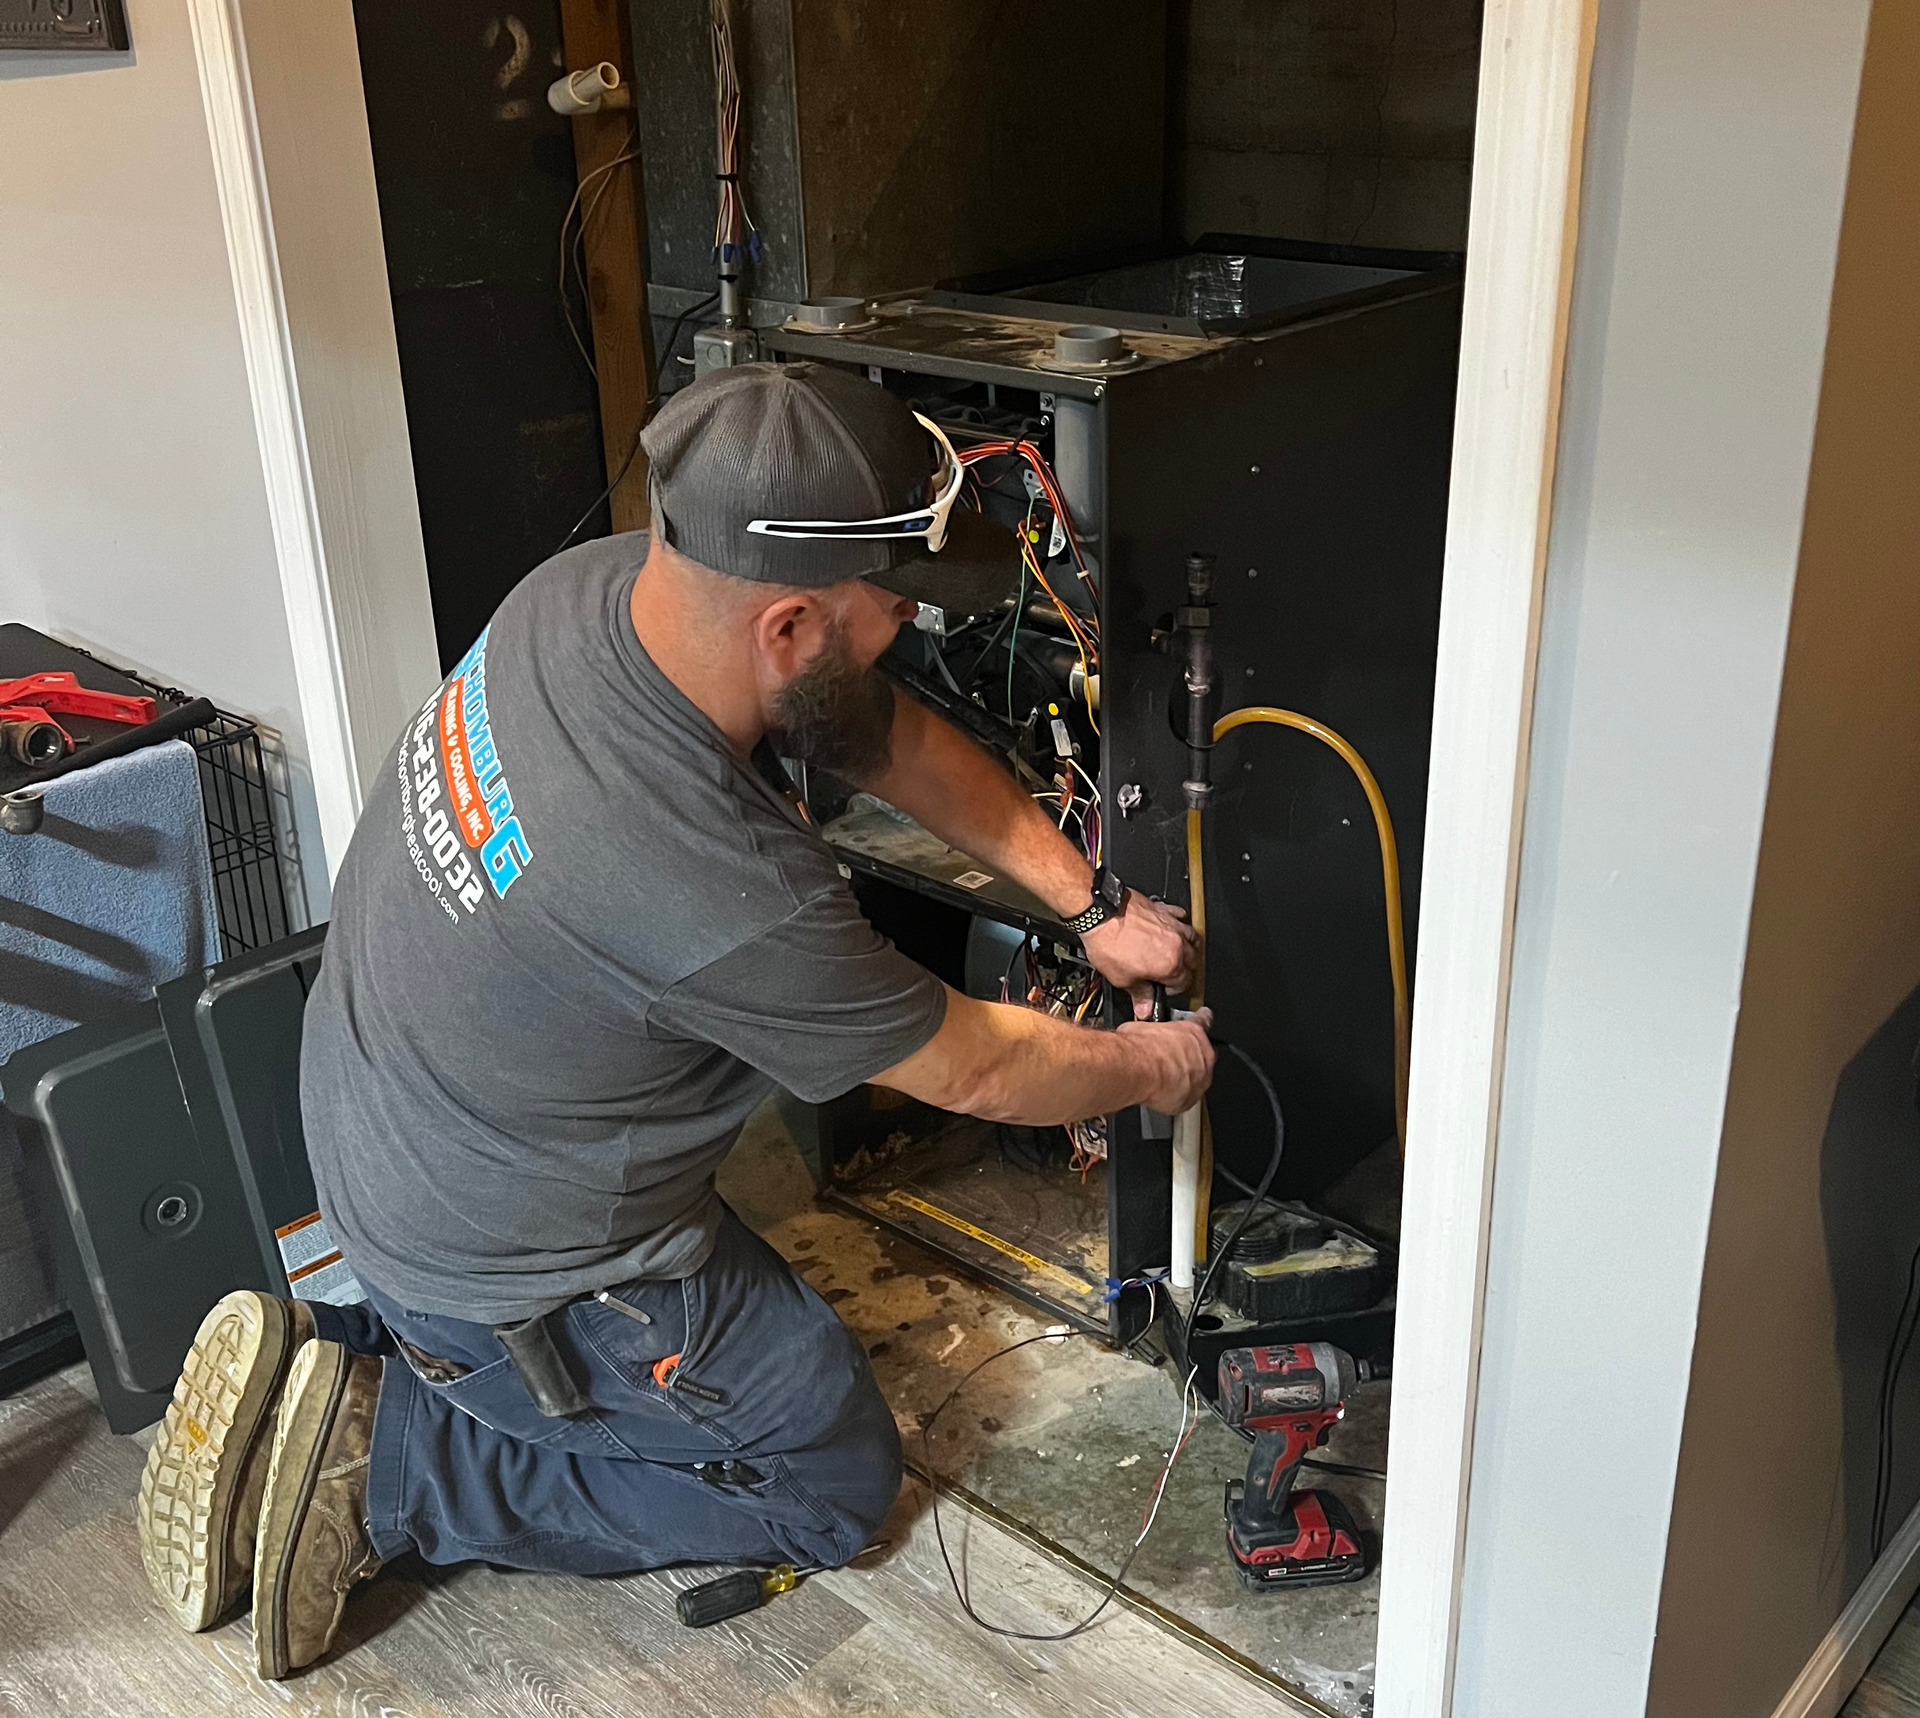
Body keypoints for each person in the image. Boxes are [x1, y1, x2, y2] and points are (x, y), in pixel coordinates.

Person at [134, 362, 1212, 1677]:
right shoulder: (719, 885)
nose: (907, 635)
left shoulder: (590, 595)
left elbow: (873, 733)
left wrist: (1089, 897)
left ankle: (341, 1356)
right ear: (792, 627)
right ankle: (403, 1459)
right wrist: (1153, 1063)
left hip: (403, 1146)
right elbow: (981, 1068)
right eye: (891, 611)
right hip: (512, 1273)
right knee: (826, 1480)